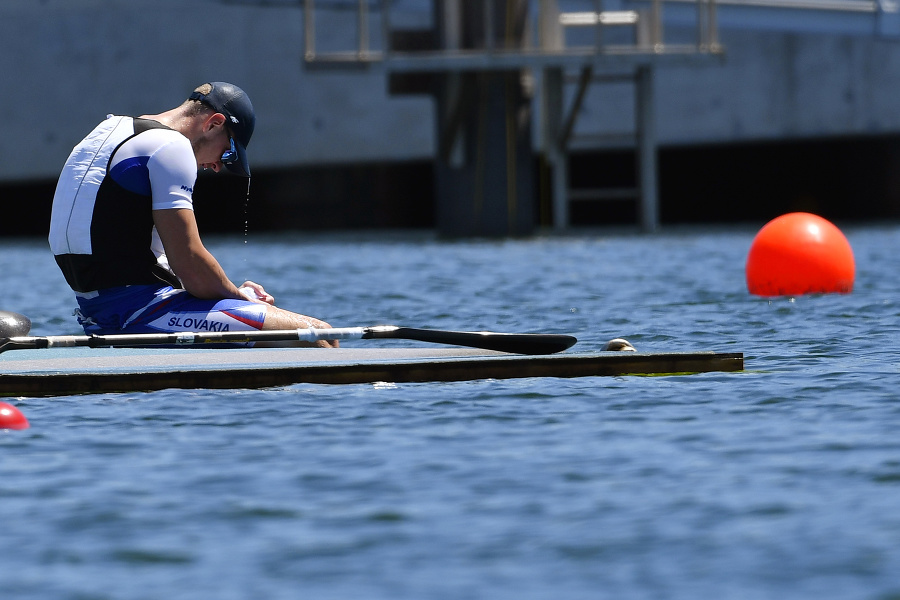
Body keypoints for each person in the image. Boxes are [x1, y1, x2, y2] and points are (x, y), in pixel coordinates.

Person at [48, 82, 337, 347]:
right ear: (214, 123)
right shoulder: (171, 146)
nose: (217, 167)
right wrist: (241, 297)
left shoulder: (110, 130)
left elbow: (140, 255)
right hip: (138, 316)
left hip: (97, 313)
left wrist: (230, 294)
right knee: (319, 335)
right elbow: (189, 263)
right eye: (227, 153)